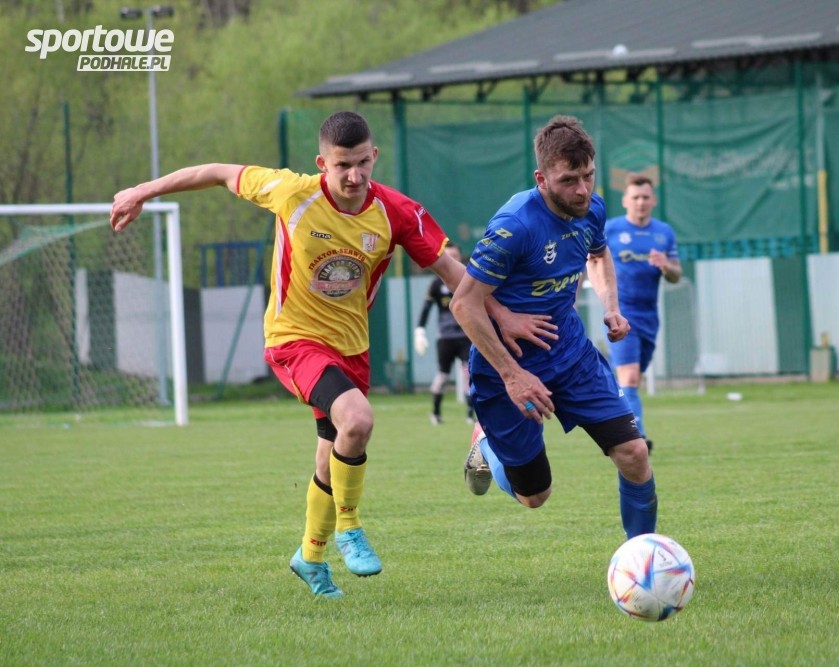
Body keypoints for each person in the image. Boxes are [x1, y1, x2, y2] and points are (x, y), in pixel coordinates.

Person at [110, 111, 554, 600]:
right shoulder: (290, 193)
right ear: (322, 163)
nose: (354, 176)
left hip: (352, 349)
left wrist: (503, 315)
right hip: (293, 340)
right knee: (358, 420)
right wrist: (142, 191)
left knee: (331, 456)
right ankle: (350, 526)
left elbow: (454, 275)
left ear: (374, 156)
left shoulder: (396, 212)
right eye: (343, 165)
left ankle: (310, 556)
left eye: (363, 163)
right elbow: (215, 172)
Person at [450, 115, 658, 541]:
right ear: (541, 179)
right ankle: (486, 443)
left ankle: (643, 558)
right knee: (535, 495)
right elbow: (464, 303)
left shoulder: (591, 208)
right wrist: (513, 375)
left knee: (634, 453)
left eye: (588, 176)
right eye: (568, 180)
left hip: (571, 355)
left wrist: (611, 307)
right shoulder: (515, 226)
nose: (582, 190)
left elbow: (597, 255)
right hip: (507, 367)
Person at [605, 173, 682, 452]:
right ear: (625, 200)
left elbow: (676, 274)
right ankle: (636, 437)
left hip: (649, 315)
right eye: (635, 197)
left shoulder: (664, 232)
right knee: (629, 377)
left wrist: (666, 265)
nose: (640, 202)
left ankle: (613, 414)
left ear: (653, 200)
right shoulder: (611, 230)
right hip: (620, 312)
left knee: (632, 380)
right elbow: (590, 262)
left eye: (645, 197)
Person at [414, 242, 475, 425]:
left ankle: (470, 414)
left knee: (469, 373)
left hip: (465, 336)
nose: (452, 260)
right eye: (448, 256)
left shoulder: (469, 279)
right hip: (445, 337)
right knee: (443, 375)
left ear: (460, 257)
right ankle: (436, 413)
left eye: (455, 256)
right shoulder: (436, 283)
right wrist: (420, 330)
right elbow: (426, 308)